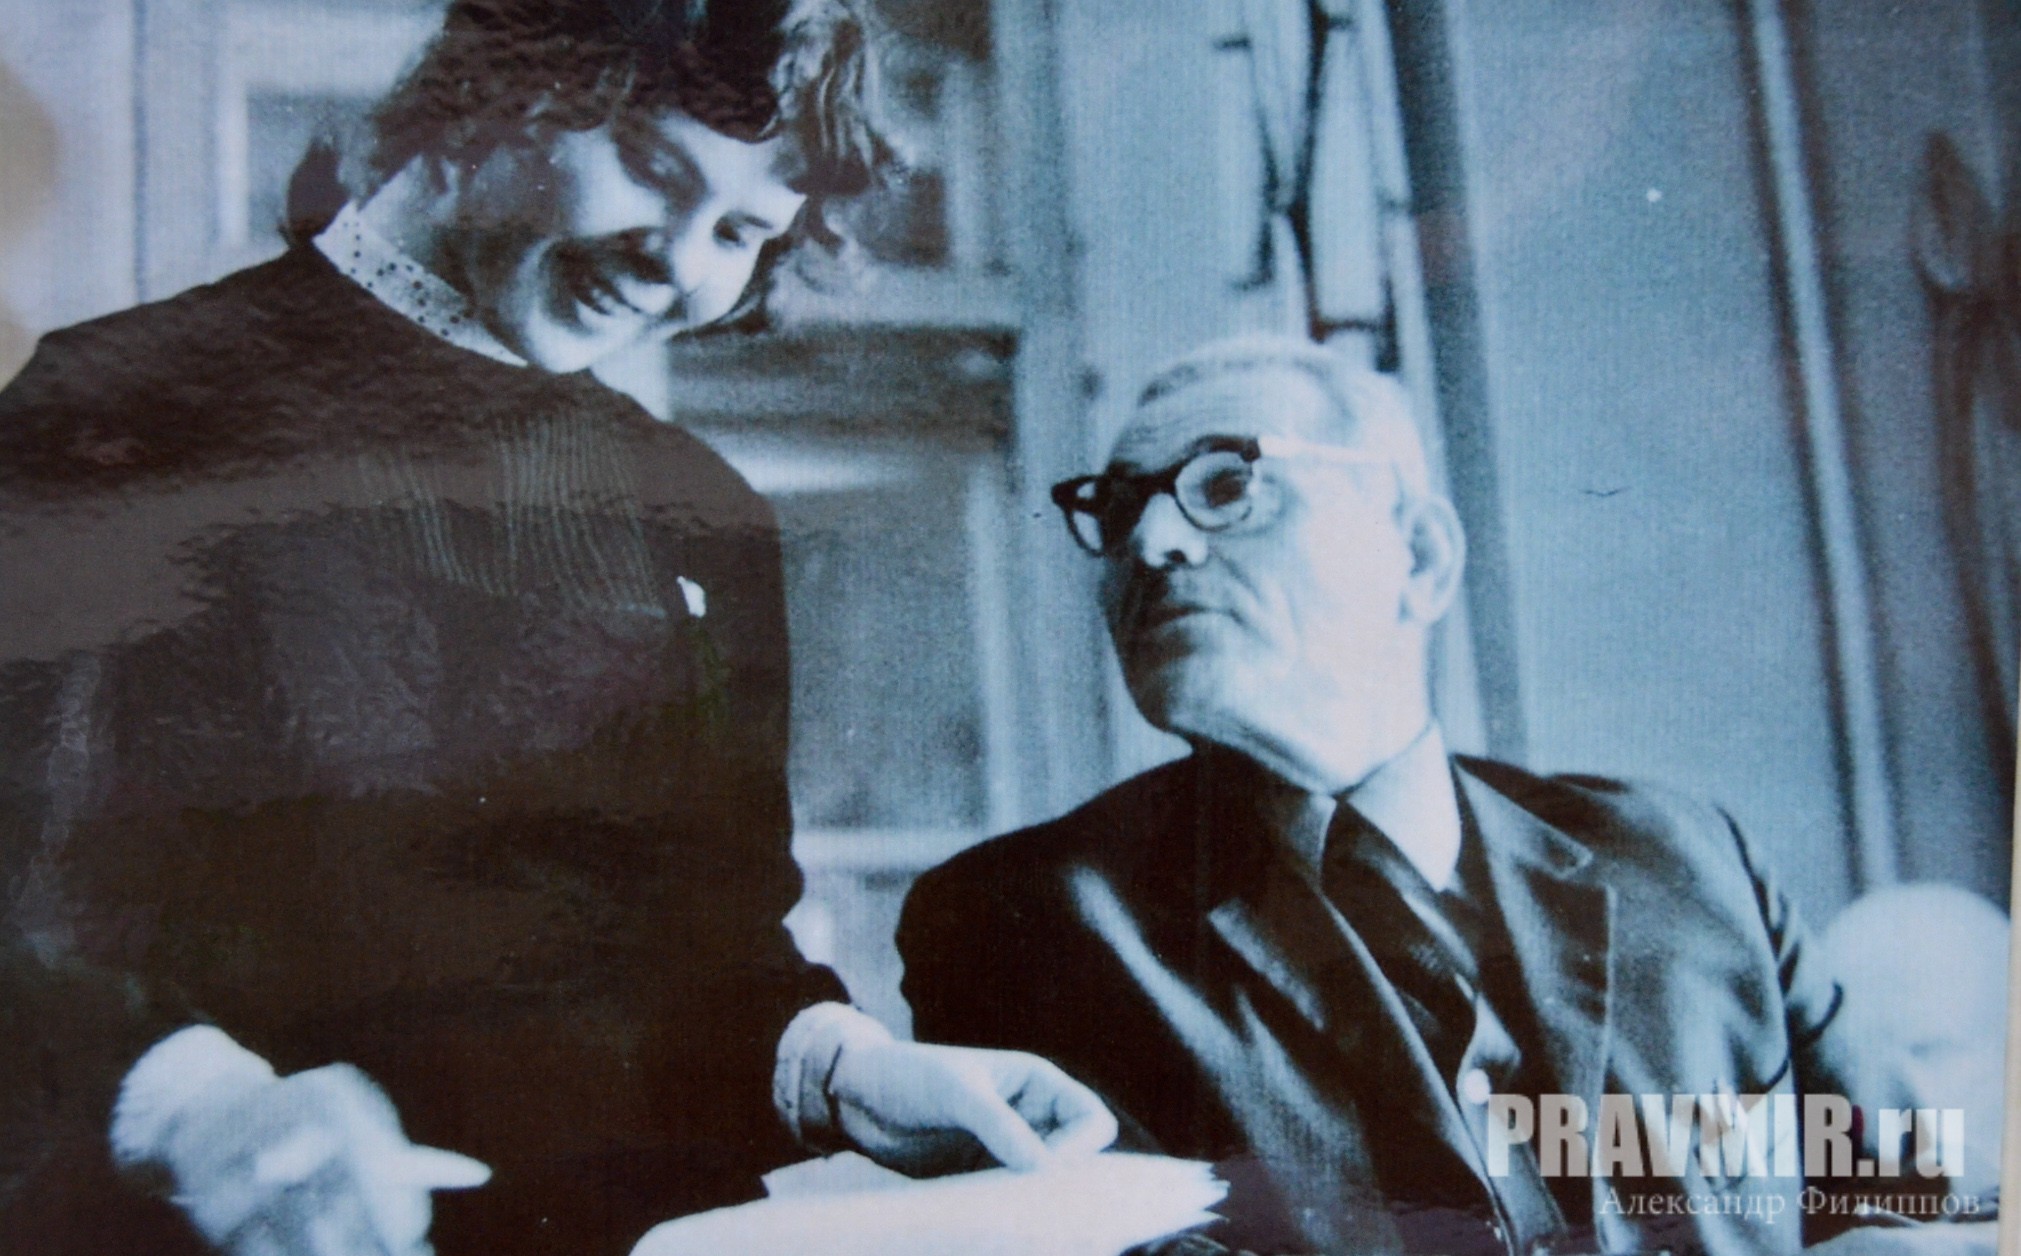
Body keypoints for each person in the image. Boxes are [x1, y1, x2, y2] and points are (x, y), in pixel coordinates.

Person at [0, 3, 1111, 1253]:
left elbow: (713, 947)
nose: (679, 263)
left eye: (741, 232)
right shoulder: (115, 413)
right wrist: (198, 1106)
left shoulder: (696, 511)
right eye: (653, 169)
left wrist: (838, 1067)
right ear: (490, 97)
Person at [898, 334, 1986, 1255]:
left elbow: (1926, 1205)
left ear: (1417, 554)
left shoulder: (1686, 858)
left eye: (1225, 484)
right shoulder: (1024, 925)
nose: (1151, 542)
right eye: (1116, 508)